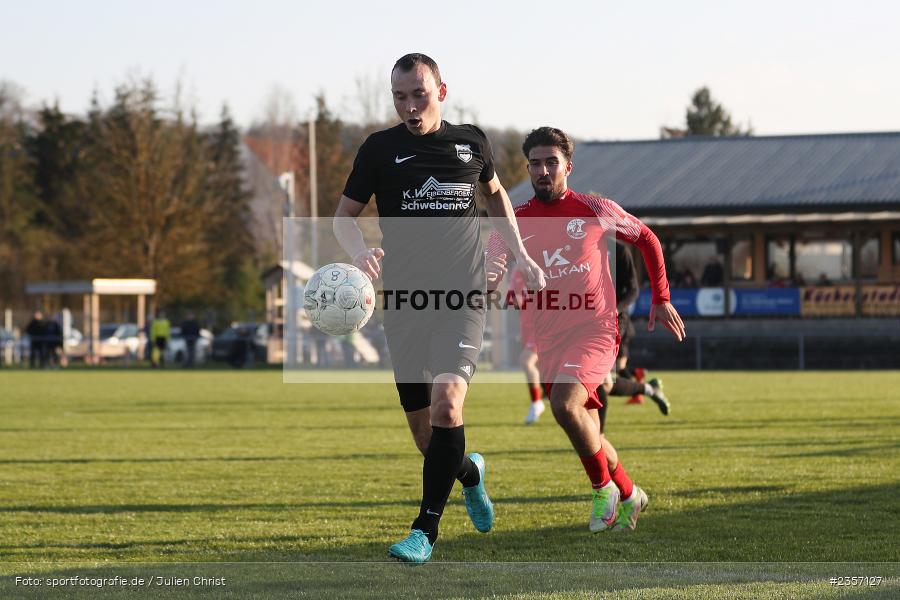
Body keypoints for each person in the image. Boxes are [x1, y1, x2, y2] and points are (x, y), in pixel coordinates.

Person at [332, 53, 544, 563]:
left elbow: (497, 199)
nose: (409, 106)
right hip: (404, 304)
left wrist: (521, 255)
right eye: (400, 96)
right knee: (428, 439)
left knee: (450, 400)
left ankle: (424, 531)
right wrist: (359, 250)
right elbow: (343, 217)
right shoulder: (379, 150)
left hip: (463, 297)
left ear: (441, 91)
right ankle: (469, 474)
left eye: (418, 94)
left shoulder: (471, 142)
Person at [486, 127, 685, 533]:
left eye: (551, 162)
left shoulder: (593, 208)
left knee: (563, 404)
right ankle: (630, 492)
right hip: (550, 336)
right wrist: (488, 281)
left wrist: (661, 297)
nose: (543, 170)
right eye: (536, 164)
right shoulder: (515, 219)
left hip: (595, 329)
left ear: (568, 167)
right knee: (588, 428)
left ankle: (602, 490)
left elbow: (646, 238)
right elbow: (491, 259)